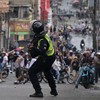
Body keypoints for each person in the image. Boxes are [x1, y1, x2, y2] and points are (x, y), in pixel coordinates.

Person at [28, 20, 58, 98]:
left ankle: (38, 92)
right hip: (50, 56)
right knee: (47, 72)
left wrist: (33, 48)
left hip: (46, 57)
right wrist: (32, 48)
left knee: (31, 71)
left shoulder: (42, 39)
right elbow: (34, 53)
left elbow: (41, 51)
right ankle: (54, 90)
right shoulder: (42, 35)